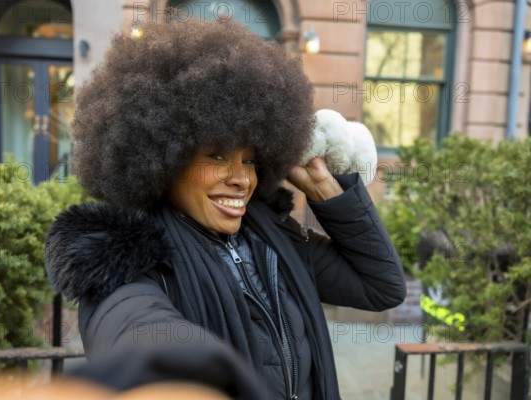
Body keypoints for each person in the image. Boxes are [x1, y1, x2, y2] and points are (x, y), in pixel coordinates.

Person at [45, 19, 406, 400]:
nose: (241, 179)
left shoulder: (274, 238)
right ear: (165, 158)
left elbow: (381, 286)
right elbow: (136, 333)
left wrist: (330, 195)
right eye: (216, 156)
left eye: (249, 161)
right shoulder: (126, 258)